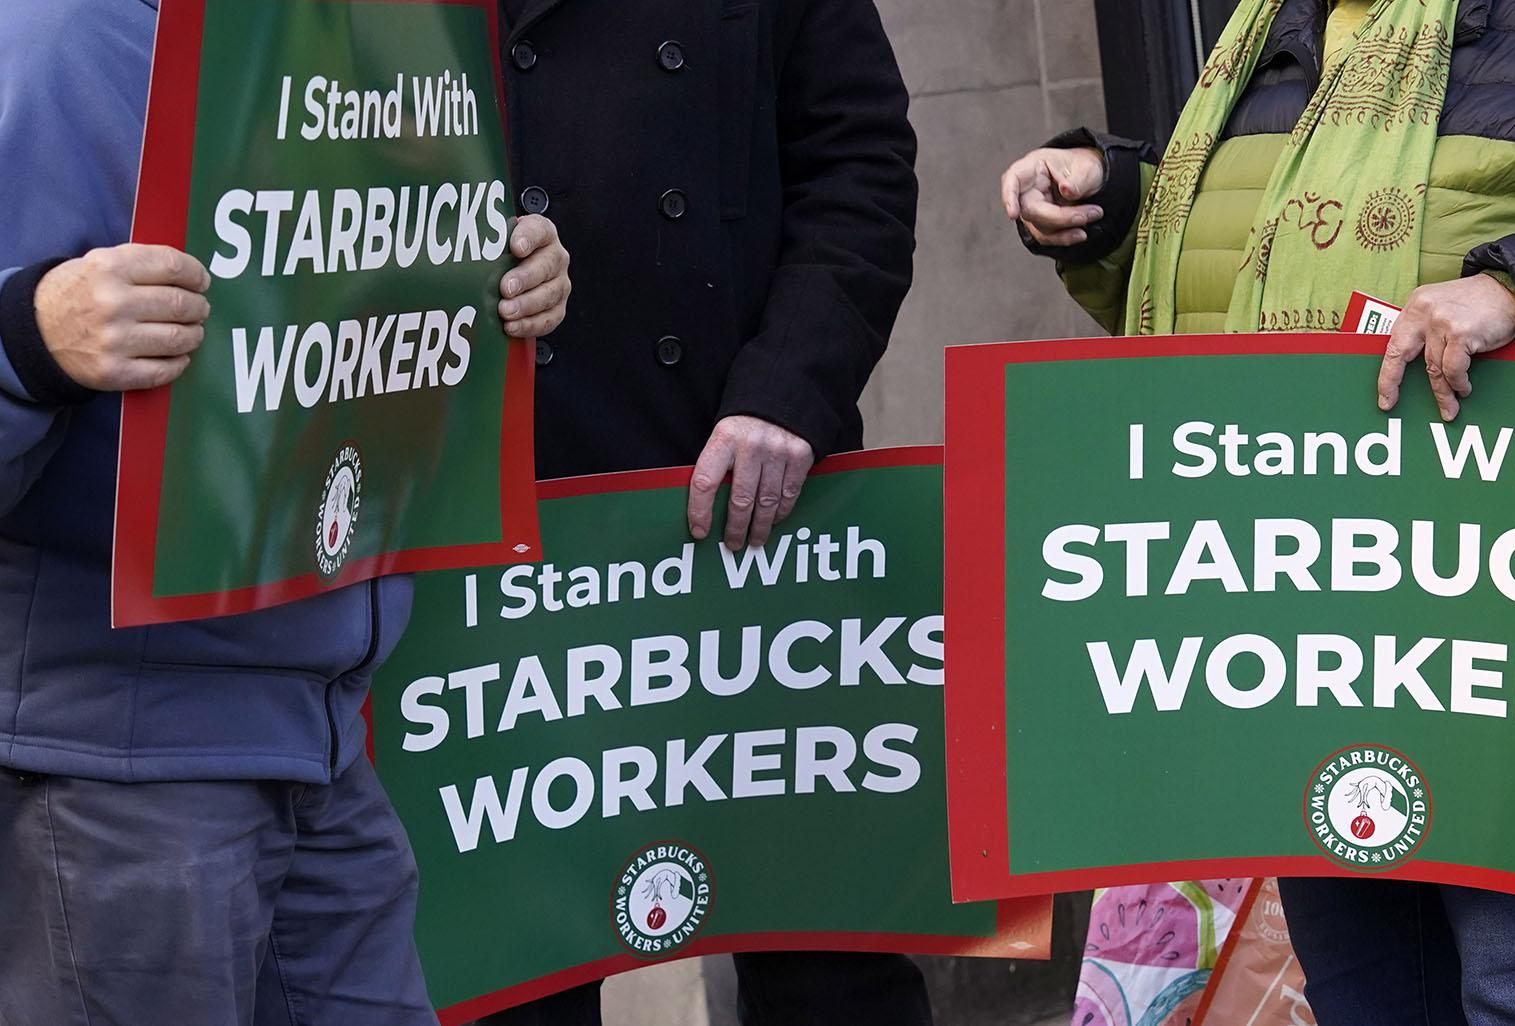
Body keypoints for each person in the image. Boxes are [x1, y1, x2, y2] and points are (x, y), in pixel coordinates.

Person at [1001, 1, 1515, 1024]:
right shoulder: (1273, 36)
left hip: (1510, 628)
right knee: (1368, 997)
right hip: (1315, 614)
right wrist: (1115, 208)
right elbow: (1240, 290)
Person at [0, 1, 571, 1023]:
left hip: (321, 737)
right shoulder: (65, 40)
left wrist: (498, 281)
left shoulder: (362, 45)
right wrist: (31, 337)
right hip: (124, 769)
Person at [474, 1, 924, 1024]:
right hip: (503, 526)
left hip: (754, 502)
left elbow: (858, 164)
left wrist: (790, 390)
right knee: (508, 965)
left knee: (829, 952)